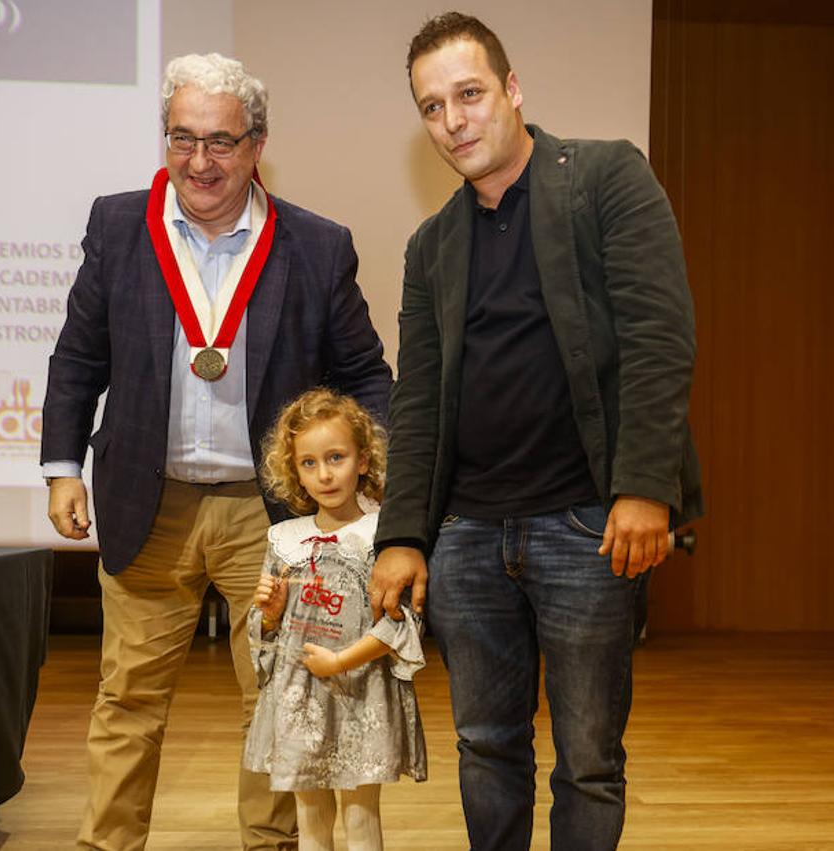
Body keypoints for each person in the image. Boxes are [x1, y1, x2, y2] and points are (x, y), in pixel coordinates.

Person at [40, 53, 392, 851]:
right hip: (146, 500)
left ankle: (270, 845)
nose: (200, 162)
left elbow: (367, 372)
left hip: (268, 517)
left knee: (275, 696)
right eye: (183, 139)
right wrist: (61, 466)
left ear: (257, 144)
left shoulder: (316, 244)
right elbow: (77, 356)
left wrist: (368, 481)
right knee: (126, 700)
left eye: (221, 142)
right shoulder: (116, 224)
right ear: (165, 138)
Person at [370, 13, 704, 850]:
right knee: (486, 746)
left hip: (588, 526)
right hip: (468, 537)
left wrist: (644, 487)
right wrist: (405, 534)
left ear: (513, 91)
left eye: (471, 94)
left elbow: (662, 339)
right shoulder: (431, 244)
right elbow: (417, 402)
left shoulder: (604, 178)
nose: (454, 120)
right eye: (433, 106)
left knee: (588, 757)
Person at [244, 389, 425, 851]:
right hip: (300, 698)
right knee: (311, 816)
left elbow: (400, 624)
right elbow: (265, 634)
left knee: (361, 815)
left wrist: (342, 660)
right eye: (309, 463)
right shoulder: (284, 538)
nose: (324, 474)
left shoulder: (383, 533)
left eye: (336, 457)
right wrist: (268, 614)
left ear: (363, 461)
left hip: (362, 693)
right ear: (294, 471)